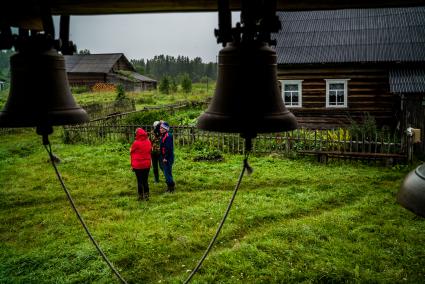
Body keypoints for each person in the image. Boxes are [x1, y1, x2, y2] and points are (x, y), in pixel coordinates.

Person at [130, 128, 152, 200]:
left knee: (139, 181)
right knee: (145, 180)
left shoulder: (136, 143)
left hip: (138, 164)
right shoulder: (148, 142)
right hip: (146, 164)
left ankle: (140, 196)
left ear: (137, 134)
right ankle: (146, 195)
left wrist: (132, 164)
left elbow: (132, 151)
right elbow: (149, 151)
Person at [159, 122, 175, 193]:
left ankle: (171, 187)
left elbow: (168, 148)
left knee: (167, 173)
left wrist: (165, 157)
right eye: (160, 128)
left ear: (165, 129)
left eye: (162, 128)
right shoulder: (164, 135)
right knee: (168, 172)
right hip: (165, 156)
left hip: (167, 157)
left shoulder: (168, 136)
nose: (160, 129)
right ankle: (170, 186)